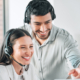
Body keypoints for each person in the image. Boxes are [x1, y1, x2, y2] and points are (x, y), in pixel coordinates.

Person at [21, 0, 80, 79]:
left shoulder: (65, 38)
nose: (43, 29)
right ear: (29, 22)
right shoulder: (20, 35)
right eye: (37, 24)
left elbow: (76, 59)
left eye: (47, 22)